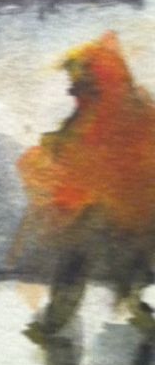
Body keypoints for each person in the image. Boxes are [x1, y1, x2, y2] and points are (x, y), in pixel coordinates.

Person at [15, 32, 155, 342]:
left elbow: (89, 155)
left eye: (77, 83)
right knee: (86, 262)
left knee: (91, 262)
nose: (72, 89)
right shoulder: (113, 107)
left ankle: (129, 314)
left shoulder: (122, 111)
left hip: (120, 209)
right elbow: (73, 148)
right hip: (109, 208)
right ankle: (59, 321)